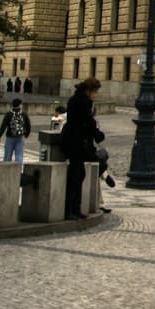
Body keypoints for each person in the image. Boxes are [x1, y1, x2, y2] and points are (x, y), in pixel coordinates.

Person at [61, 78, 102, 219]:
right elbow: (88, 122)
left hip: (74, 140)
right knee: (76, 176)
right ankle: (69, 210)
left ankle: (75, 209)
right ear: (89, 90)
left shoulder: (78, 99)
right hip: (75, 141)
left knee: (79, 174)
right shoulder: (82, 102)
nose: (95, 95)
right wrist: (97, 134)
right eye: (94, 92)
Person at [0, 97, 31, 163]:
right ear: (20, 105)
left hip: (10, 137)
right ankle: (18, 171)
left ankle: (6, 171)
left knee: (7, 156)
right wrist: (27, 134)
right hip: (20, 137)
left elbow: (3, 126)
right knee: (19, 156)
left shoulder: (9, 114)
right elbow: (28, 125)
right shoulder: (24, 114)